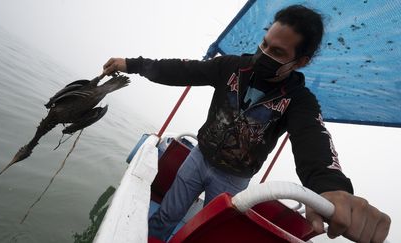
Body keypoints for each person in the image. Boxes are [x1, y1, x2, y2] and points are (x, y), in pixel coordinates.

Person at [103, 4, 391, 242]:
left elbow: (312, 137)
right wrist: (131, 64)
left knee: (208, 235)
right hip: (198, 157)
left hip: (233, 179)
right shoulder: (229, 67)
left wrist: (331, 186)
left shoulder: (299, 101)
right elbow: (180, 69)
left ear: (300, 61)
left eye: (277, 52)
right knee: (166, 215)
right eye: (264, 44)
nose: (264, 54)